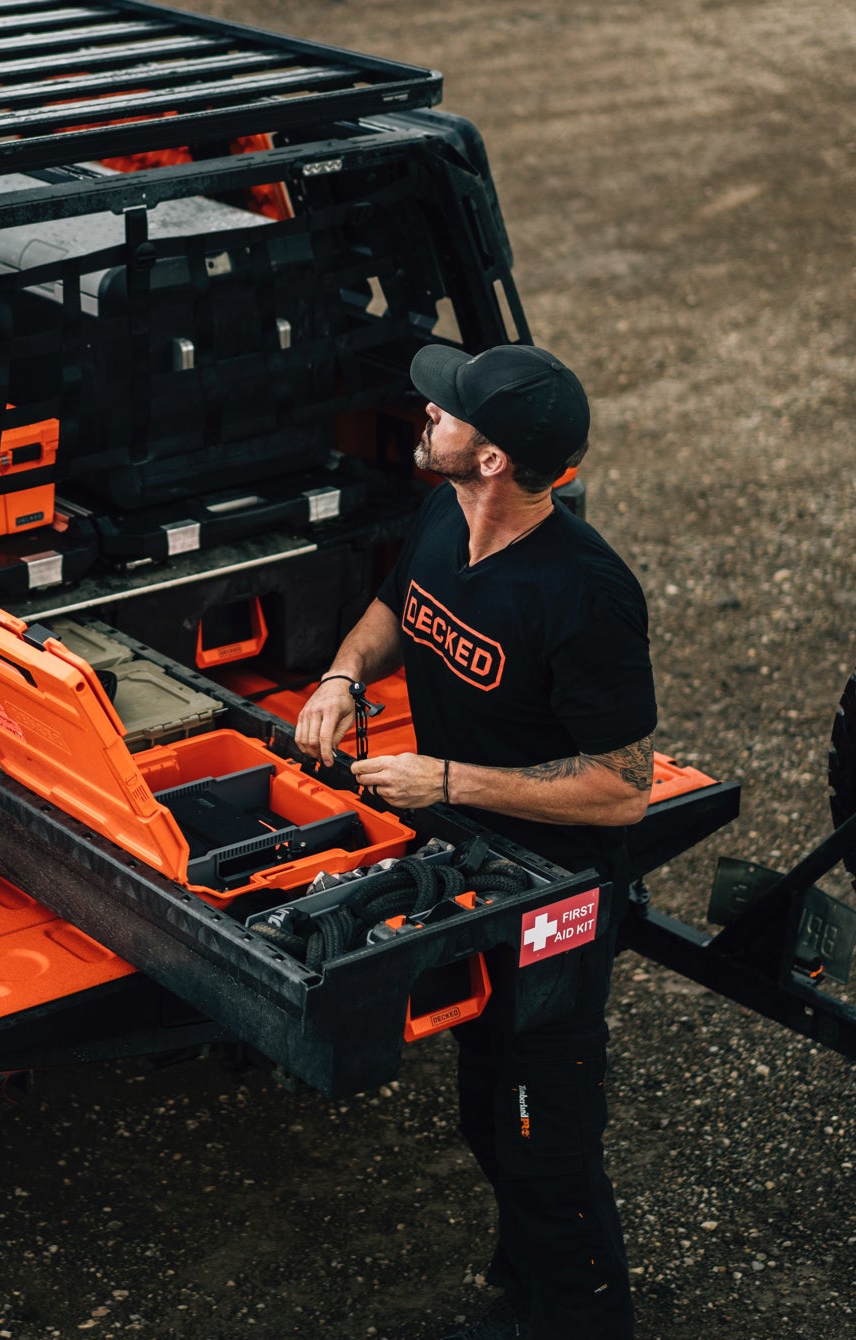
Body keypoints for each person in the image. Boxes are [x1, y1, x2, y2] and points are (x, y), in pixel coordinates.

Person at [295, 343, 655, 1340]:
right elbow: (391, 612)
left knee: (547, 1133)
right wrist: (341, 676)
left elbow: (621, 788)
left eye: (447, 409)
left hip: (557, 900)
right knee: (486, 1105)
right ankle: (522, 1292)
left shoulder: (582, 594)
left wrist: (444, 778)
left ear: (493, 457)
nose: (426, 409)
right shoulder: (440, 516)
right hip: (469, 869)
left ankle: (584, 1320)